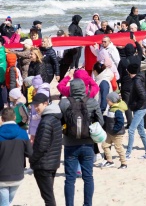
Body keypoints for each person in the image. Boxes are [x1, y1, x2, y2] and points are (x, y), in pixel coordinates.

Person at [59, 78, 104, 206]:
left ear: (71, 89)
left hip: (69, 144)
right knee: (88, 177)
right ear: (84, 88)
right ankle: (87, 204)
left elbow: (59, 122)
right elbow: (101, 122)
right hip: (88, 143)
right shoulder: (92, 102)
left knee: (70, 179)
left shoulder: (63, 103)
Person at [29, 93, 62, 206]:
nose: (36, 108)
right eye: (34, 105)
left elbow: (41, 146)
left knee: (48, 198)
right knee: (49, 195)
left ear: (45, 103)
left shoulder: (46, 121)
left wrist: (32, 159)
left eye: (38, 105)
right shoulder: (55, 117)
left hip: (44, 164)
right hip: (52, 162)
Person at [0, 107, 32, 206]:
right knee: (6, 202)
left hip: (1, 176)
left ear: (2, 119)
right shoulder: (23, 133)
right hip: (18, 175)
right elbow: (30, 153)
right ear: (14, 118)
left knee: (5, 203)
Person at [124, 63, 146, 160]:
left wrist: (136, 105)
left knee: (131, 130)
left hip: (140, 109)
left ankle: (128, 154)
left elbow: (143, 96)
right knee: (141, 131)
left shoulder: (137, 81)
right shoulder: (136, 79)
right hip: (138, 108)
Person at [101, 92, 127, 169]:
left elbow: (120, 122)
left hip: (117, 133)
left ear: (112, 101)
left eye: (107, 100)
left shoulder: (118, 110)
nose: (107, 102)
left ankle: (124, 163)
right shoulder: (111, 108)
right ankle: (109, 161)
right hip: (110, 133)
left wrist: (115, 130)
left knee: (118, 148)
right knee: (104, 145)